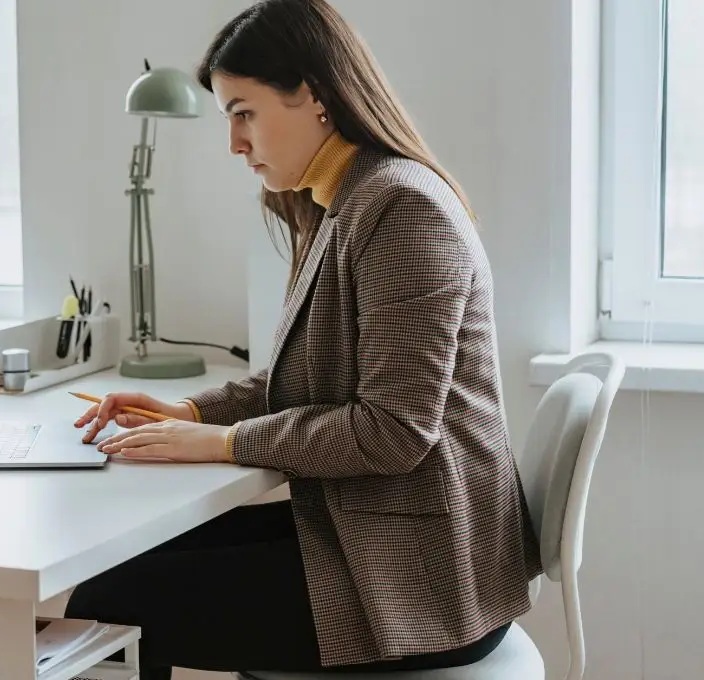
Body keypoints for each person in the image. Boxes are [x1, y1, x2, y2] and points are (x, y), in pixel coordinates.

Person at [66, 1, 543, 678]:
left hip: (423, 580)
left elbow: (394, 430)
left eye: (243, 111)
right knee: (122, 570)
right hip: (372, 535)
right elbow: (298, 378)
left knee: (107, 604)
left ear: (314, 97)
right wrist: (194, 414)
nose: (234, 142)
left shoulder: (401, 208)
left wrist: (226, 442)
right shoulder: (338, 201)